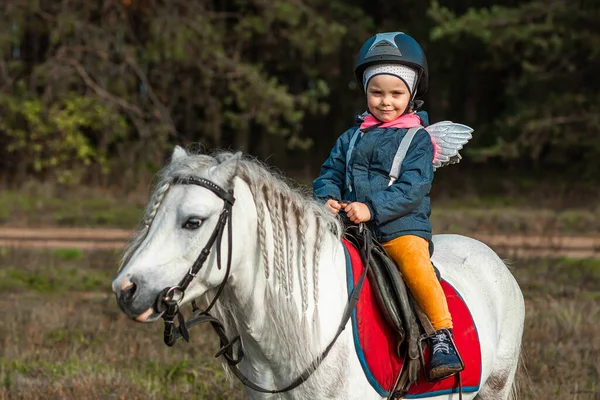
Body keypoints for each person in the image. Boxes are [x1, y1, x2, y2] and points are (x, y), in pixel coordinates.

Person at [313, 32, 462, 380]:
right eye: (376, 92)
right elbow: (329, 172)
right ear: (365, 93)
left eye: (396, 93)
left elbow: (413, 189)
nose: (385, 101)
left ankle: (442, 335)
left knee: (414, 263)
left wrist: (371, 208)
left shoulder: (418, 140)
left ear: (411, 96)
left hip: (399, 227)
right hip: (350, 229)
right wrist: (328, 197)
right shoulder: (350, 137)